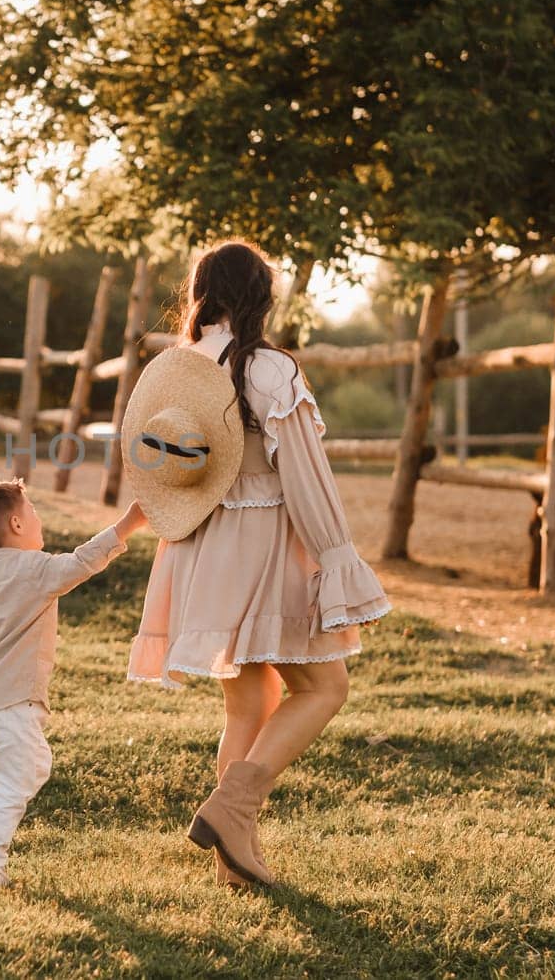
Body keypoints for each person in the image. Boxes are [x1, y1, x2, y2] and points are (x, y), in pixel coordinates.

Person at [124, 241, 390, 889]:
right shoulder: (268, 370)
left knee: (249, 704)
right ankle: (234, 807)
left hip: (196, 551)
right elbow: (307, 479)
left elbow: (159, 469)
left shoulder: (175, 366)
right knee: (324, 688)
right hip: (263, 547)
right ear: (260, 296)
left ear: (201, 293)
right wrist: (336, 558)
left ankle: (232, 863)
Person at [0, 480, 146, 889]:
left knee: (34, 766)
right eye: (35, 512)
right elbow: (82, 561)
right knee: (14, 779)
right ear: (17, 524)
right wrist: (127, 525)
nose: (40, 520)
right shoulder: (34, 570)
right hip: (15, 697)